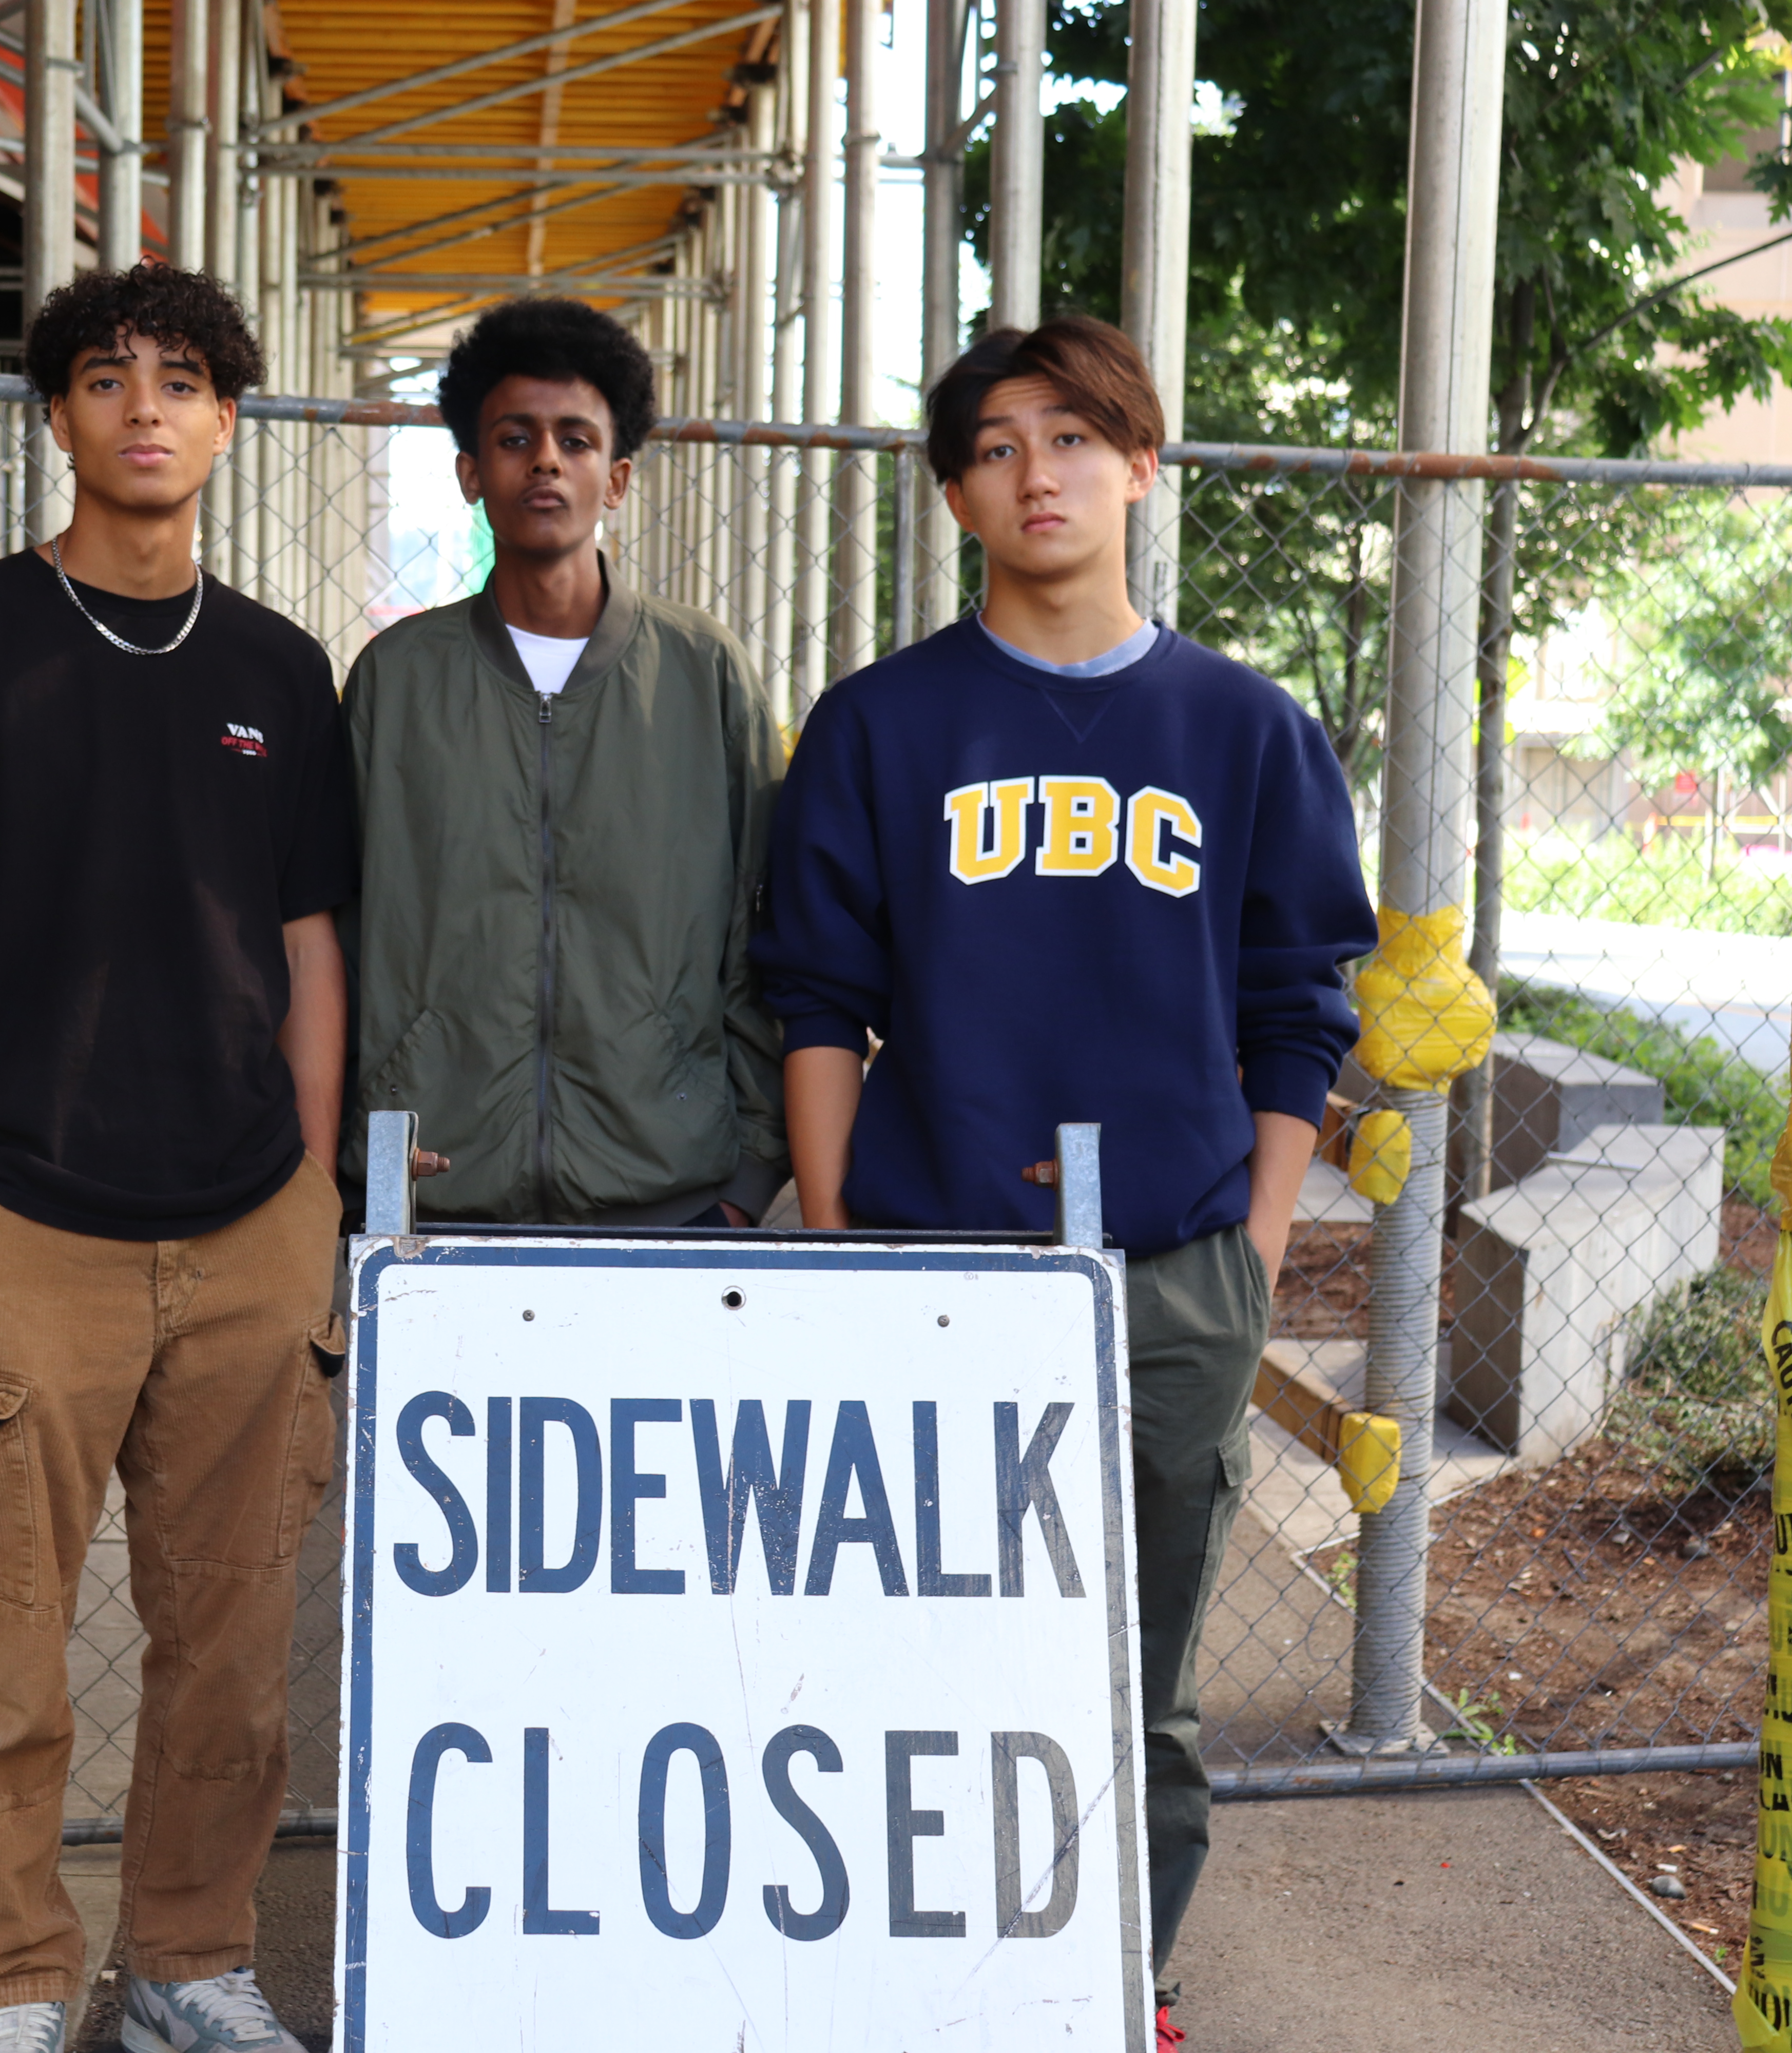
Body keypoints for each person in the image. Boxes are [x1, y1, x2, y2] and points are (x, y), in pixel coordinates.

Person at [749, 314, 1377, 2051]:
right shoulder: (882, 726)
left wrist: (1250, 1245)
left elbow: (1297, 1005)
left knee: (1142, 1675)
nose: (1042, 473)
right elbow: (819, 999)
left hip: (1169, 1268)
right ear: (957, 491)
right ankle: (903, 1974)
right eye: (1003, 445)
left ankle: (1117, 1981)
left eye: (1077, 438)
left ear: (1142, 465)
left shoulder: (1243, 729)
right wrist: (830, 1234)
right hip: (930, 1256)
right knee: (908, 1657)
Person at [0, 263, 350, 2053]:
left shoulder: (281, 667)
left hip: (248, 1229)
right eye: (106, 375)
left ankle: (190, 1959)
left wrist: (314, 1186)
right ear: (55, 416)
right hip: (21, 1228)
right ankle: (15, 1983)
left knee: (232, 1653)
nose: (144, 404)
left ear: (224, 420)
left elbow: (312, 942)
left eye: (183, 377)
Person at [342, 296, 788, 1226]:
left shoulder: (702, 674)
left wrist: (748, 1177)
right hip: (431, 1191)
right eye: (515, 437)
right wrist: (361, 1147)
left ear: (618, 478)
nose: (546, 459)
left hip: (674, 1193)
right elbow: (339, 928)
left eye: (577, 440)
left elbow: (764, 927)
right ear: (470, 472)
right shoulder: (397, 679)